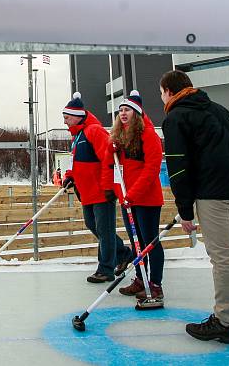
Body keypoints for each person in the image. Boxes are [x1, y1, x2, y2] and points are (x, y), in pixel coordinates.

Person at [160, 70, 229, 344]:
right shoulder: (219, 109)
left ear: (168, 91)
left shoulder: (176, 117)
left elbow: (178, 167)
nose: (162, 97)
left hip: (214, 192)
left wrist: (185, 210)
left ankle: (225, 321)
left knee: (221, 257)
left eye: (161, 92)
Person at [62, 92, 133, 283]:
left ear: (77, 116)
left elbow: (108, 159)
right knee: (93, 226)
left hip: (101, 191)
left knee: (104, 229)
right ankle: (123, 252)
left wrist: (109, 186)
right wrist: (69, 177)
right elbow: (74, 162)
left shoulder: (95, 131)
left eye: (67, 118)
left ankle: (105, 269)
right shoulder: (77, 137)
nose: (65, 122)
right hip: (86, 193)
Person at [106, 90, 165, 304]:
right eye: (120, 110)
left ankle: (155, 285)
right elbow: (115, 168)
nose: (123, 113)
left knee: (150, 243)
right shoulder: (121, 137)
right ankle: (141, 278)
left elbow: (151, 169)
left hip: (146, 199)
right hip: (128, 199)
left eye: (127, 110)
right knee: (136, 243)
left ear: (136, 114)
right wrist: (110, 148)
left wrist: (133, 194)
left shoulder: (148, 135)